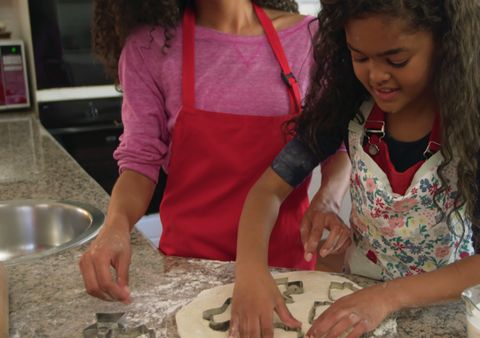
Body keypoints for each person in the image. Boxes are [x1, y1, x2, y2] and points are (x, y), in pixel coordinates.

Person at [231, 0, 480, 337]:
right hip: (358, 292)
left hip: (442, 308)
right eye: (359, 57)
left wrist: (386, 298)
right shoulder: (348, 108)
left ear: (446, 46)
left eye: (396, 60)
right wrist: (251, 274)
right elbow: (267, 190)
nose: (375, 75)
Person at [78, 0, 352, 304]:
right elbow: (140, 161)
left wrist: (327, 199)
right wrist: (116, 225)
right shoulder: (149, 48)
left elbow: (337, 143)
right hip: (191, 267)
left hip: (284, 264)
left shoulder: (309, 39)